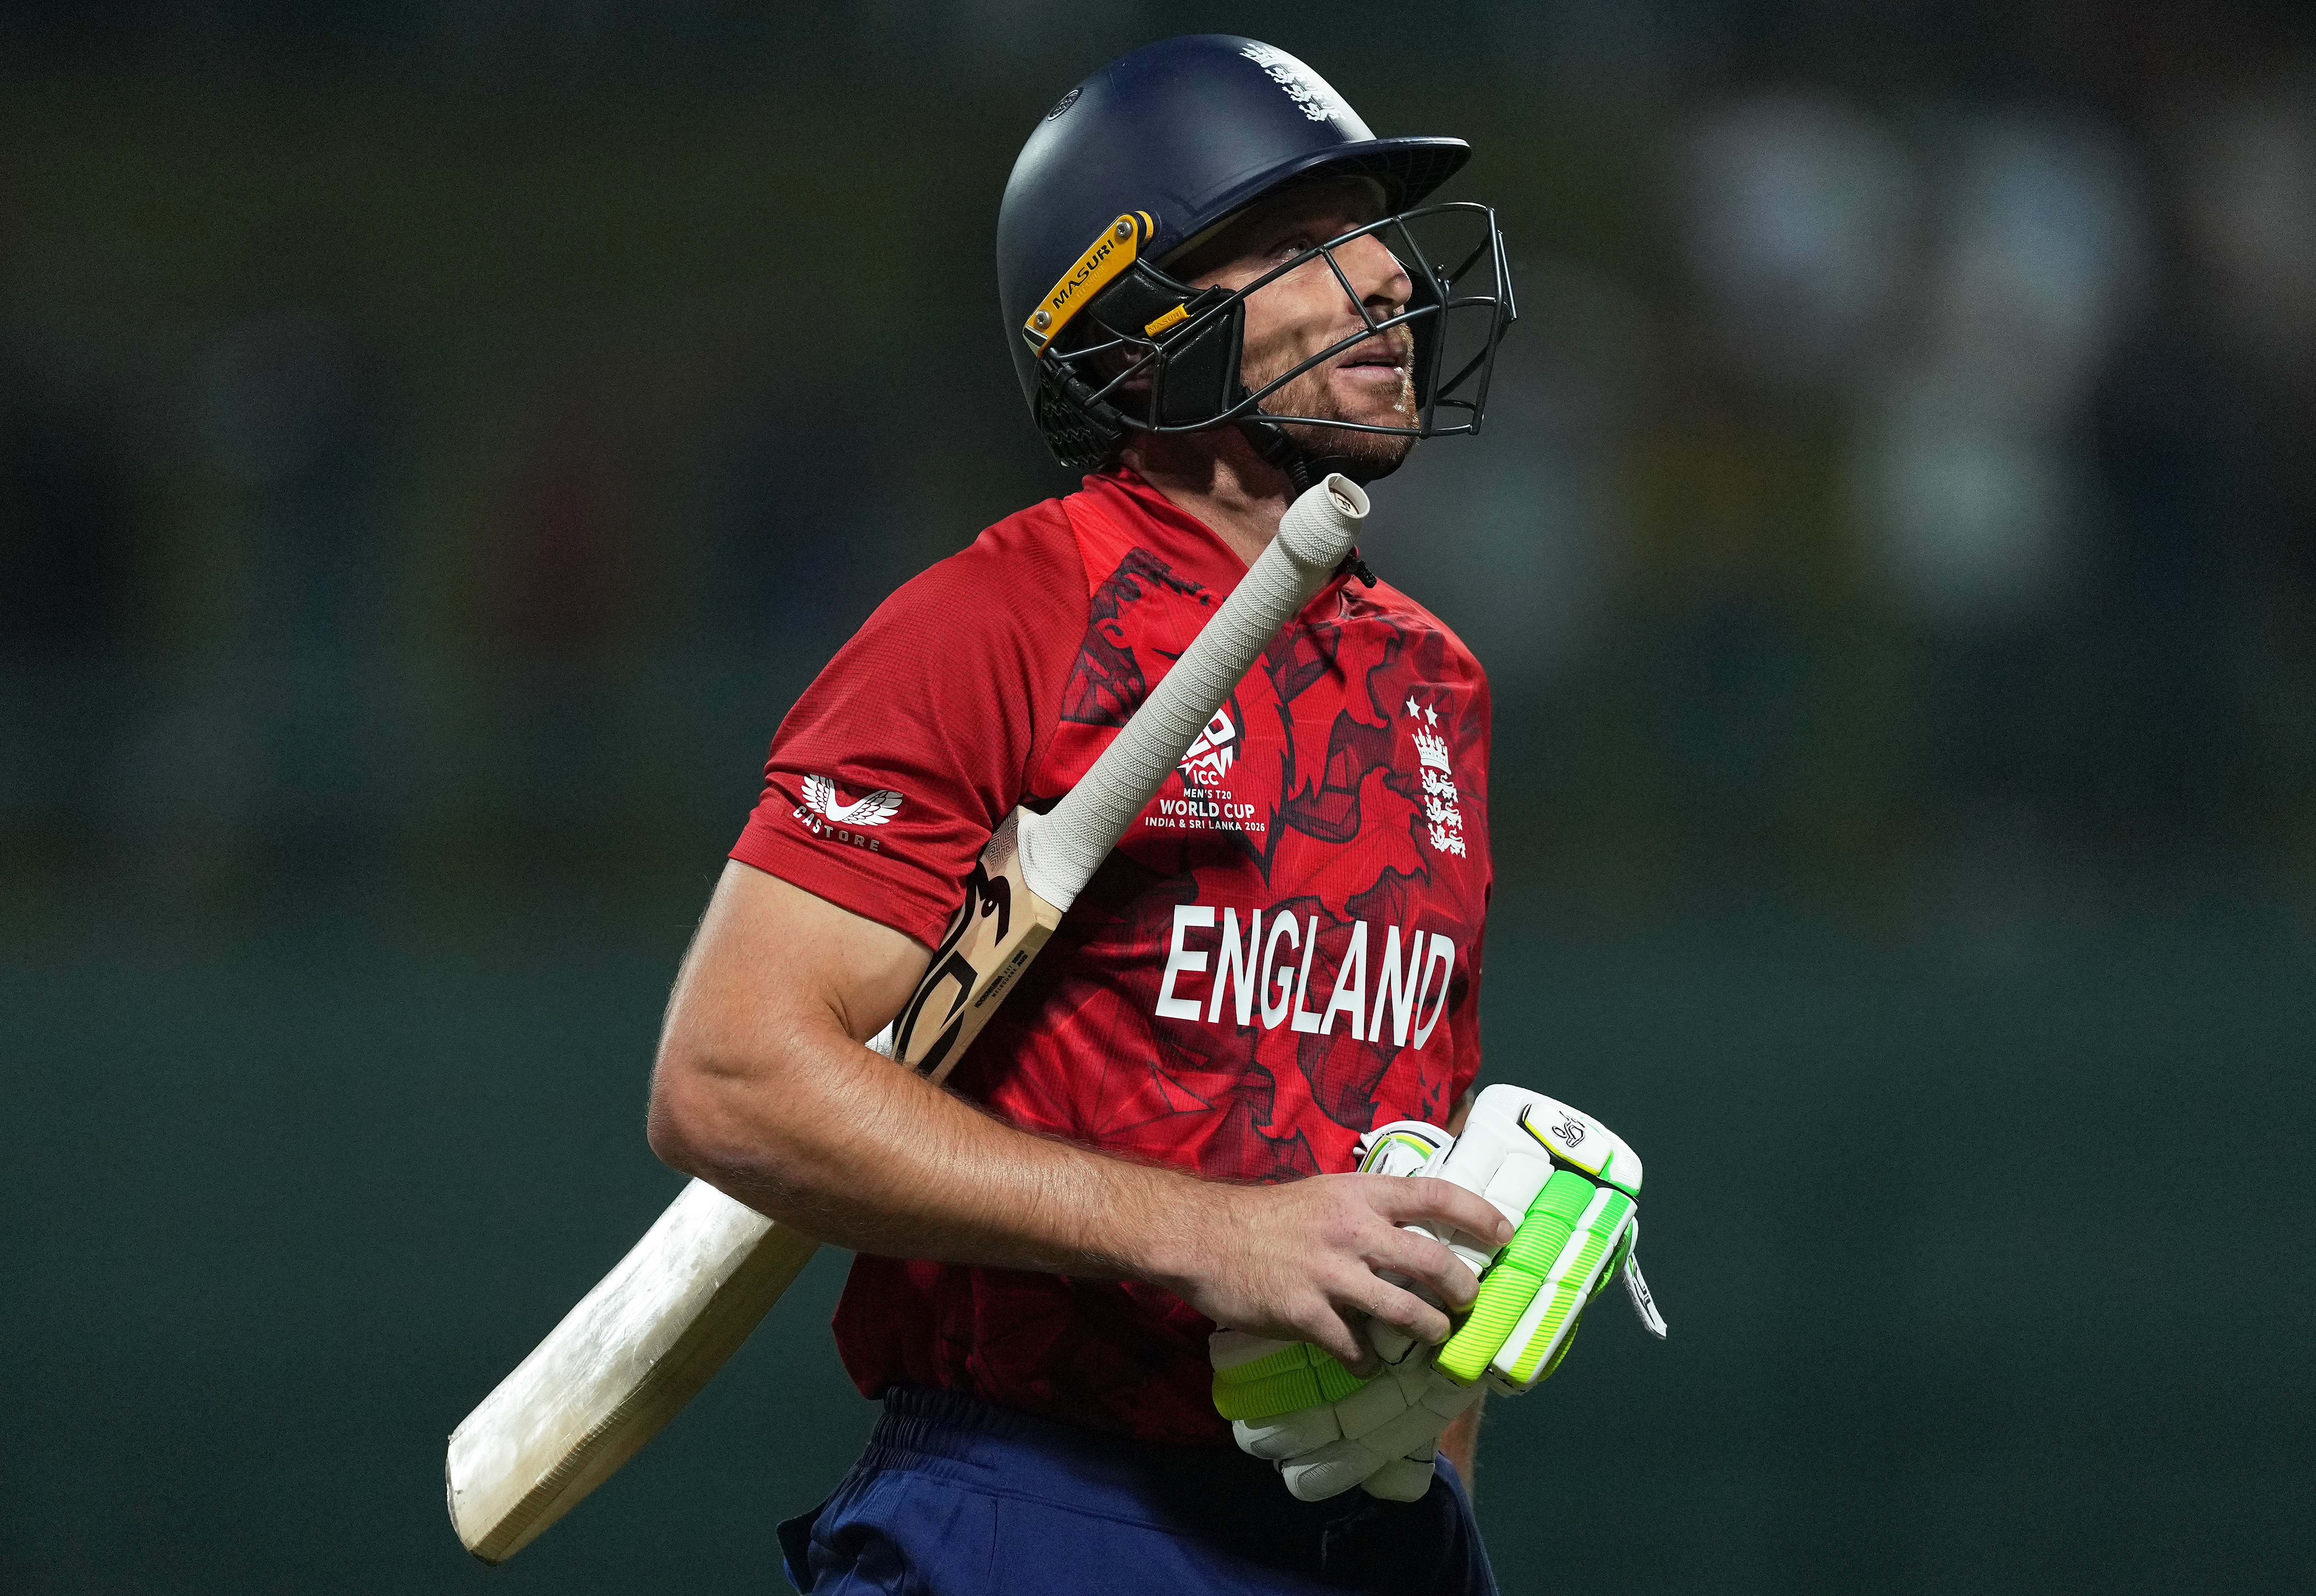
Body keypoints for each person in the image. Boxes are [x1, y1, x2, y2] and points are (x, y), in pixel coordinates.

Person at [649, 34, 1527, 1594]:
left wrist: (1431, 1421)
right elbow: (728, 1082)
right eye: (1303, 244)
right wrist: (1213, 1236)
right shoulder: (996, 620)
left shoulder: (1430, 680)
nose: (1387, 280)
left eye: (1376, 236)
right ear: (1132, 318)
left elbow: (1383, 1168)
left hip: (1370, 1534)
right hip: (1044, 1515)